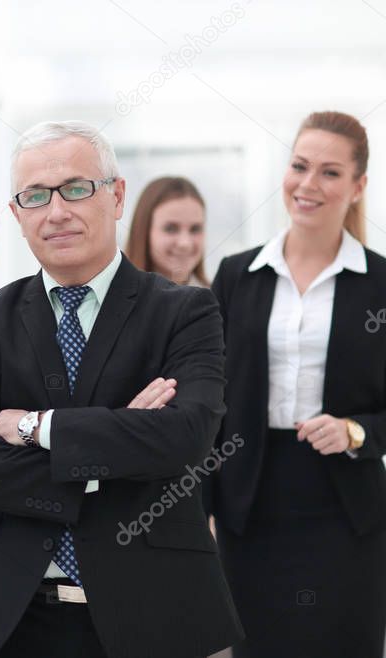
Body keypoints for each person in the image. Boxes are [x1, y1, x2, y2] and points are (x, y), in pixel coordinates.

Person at [0, 120, 243, 658]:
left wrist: (37, 427)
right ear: (17, 215)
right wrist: (122, 444)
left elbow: (186, 438)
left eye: (76, 188)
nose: (57, 212)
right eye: (35, 196)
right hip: (11, 616)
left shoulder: (185, 311)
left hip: (158, 611)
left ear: (116, 196)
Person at [208, 110, 386, 657]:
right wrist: (203, 507)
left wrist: (356, 431)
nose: (308, 185)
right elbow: (209, 399)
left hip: (346, 507)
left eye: (330, 173)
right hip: (250, 501)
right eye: (300, 166)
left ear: (357, 187)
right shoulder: (236, 276)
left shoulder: (380, 284)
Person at [125, 176, 210, 286]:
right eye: (171, 229)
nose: (185, 243)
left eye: (195, 229)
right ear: (144, 233)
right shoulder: (110, 298)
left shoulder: (220, 300)